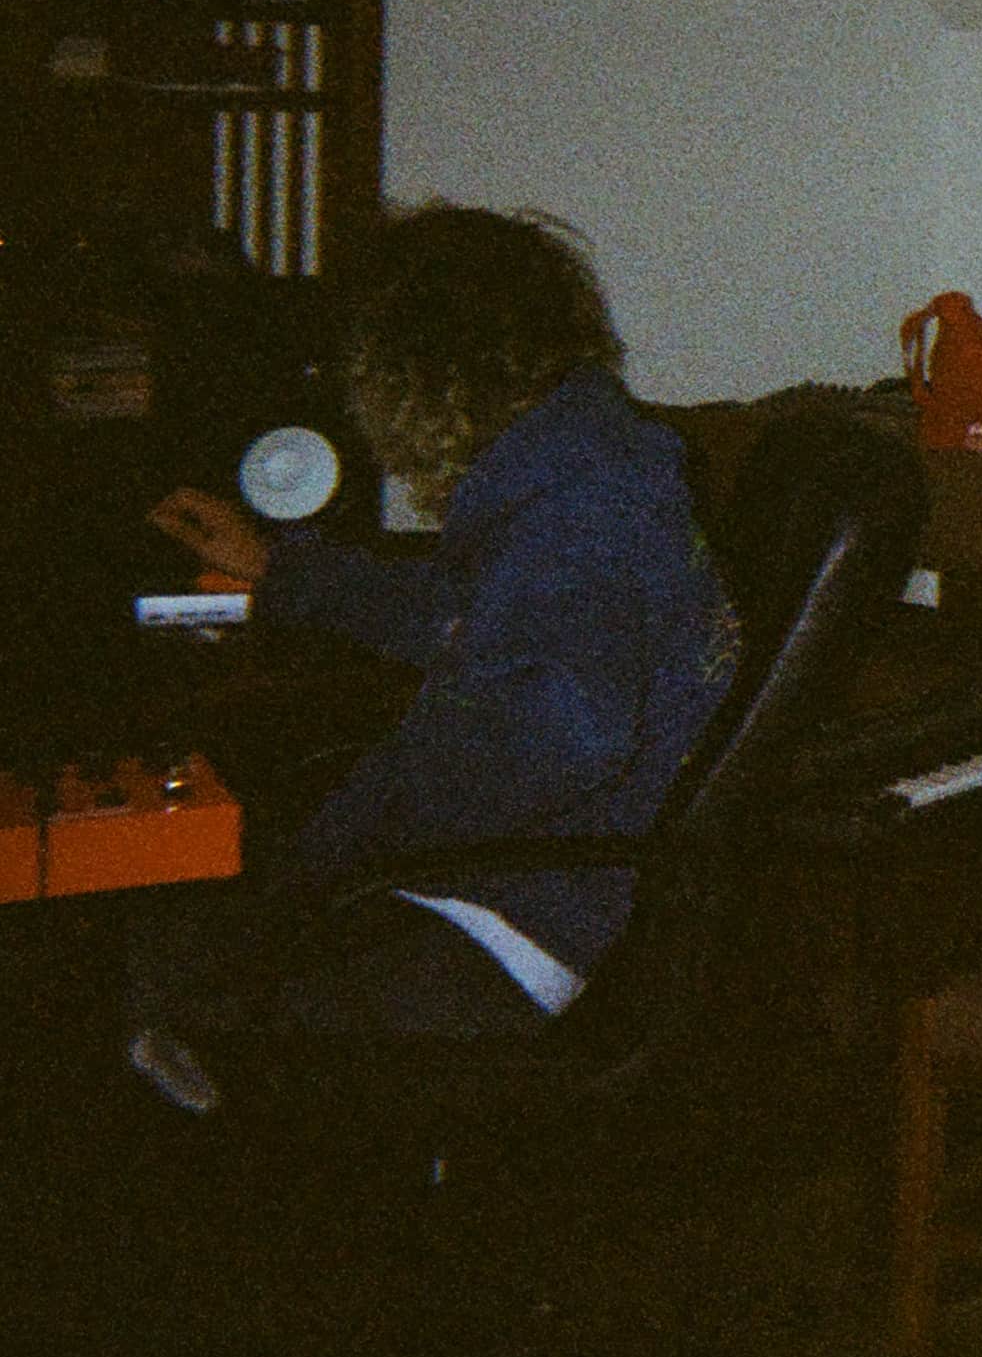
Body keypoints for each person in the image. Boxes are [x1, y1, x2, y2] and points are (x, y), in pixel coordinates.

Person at [125, 203, 737, 1107]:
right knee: (170, 931)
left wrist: (362, 826)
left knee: (111, 965)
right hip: (518, 893)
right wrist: (281, 570)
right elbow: (467, 622)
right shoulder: (584, 464)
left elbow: (566, 731)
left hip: (498, 930)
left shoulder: (578, 515)